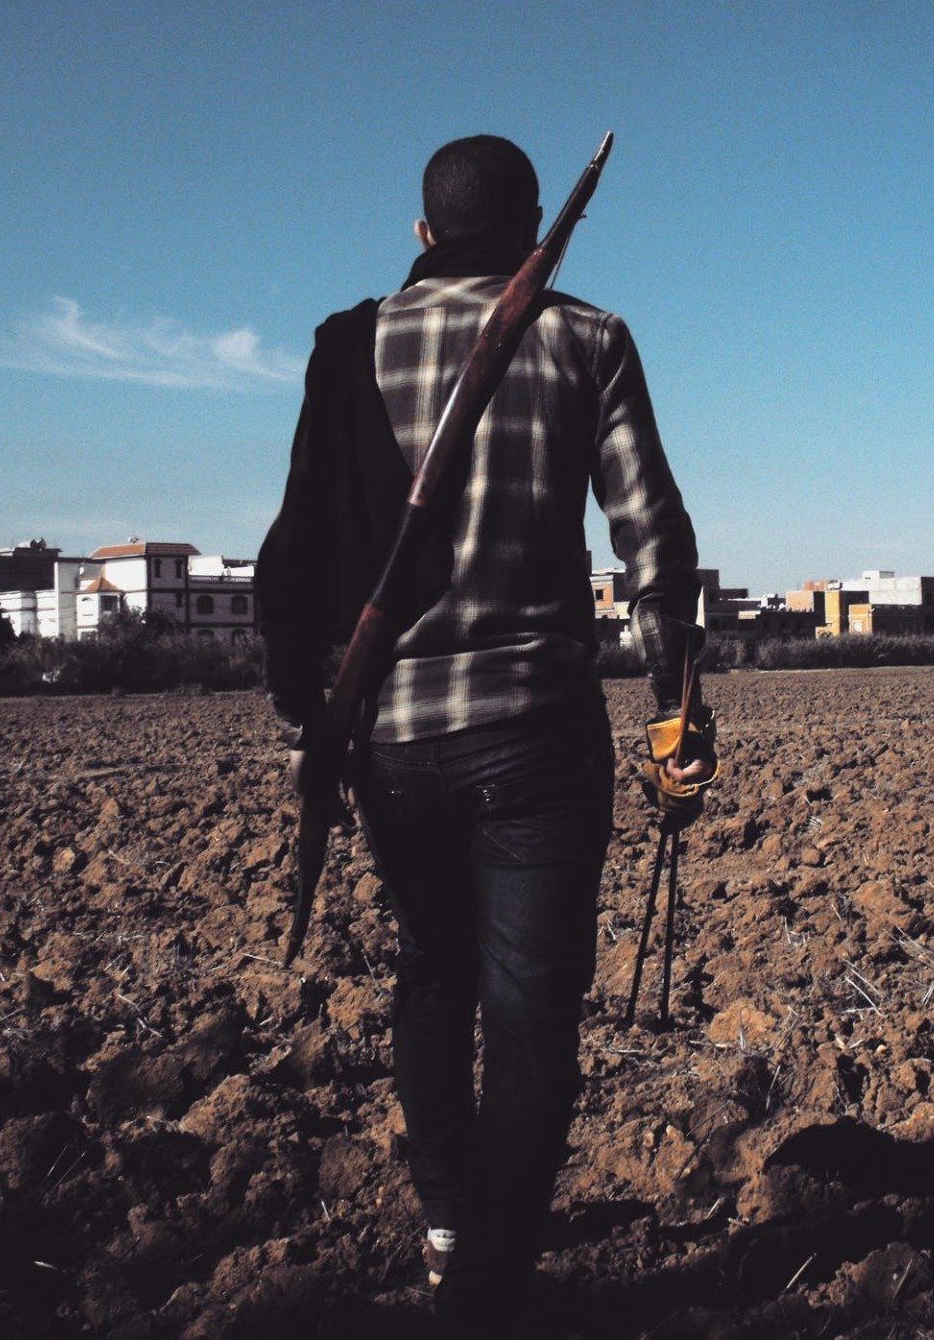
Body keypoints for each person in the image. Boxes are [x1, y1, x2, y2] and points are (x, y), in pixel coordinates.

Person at [255, 134, 715, 1336]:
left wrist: (312, 718)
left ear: (422, 237)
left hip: (391, 743)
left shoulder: (346, 345)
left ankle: (452, 1226)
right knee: (530, 1010)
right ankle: (491, 1284)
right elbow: (652, 544)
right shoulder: (590, 338)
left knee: (433, 974)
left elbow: (296, 547)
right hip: (539, 736)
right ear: (533, 232)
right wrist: (675, 711)